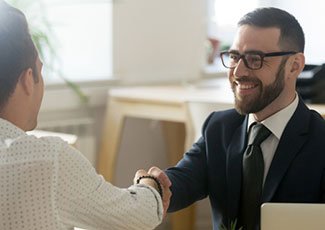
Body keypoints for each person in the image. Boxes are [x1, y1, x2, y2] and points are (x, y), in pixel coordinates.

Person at [148, 7, 325, 230]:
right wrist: (152, 186)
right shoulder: (219, 128)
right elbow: (180, 182)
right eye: (234, 57)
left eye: (255, 59)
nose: (238, 72)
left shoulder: (320, 142)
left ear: (294, 66)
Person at [0, 1, 171, 229]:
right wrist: (149, 183)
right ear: (27, 79)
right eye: (41, 71)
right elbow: (139, 216)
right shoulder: (49, 161)